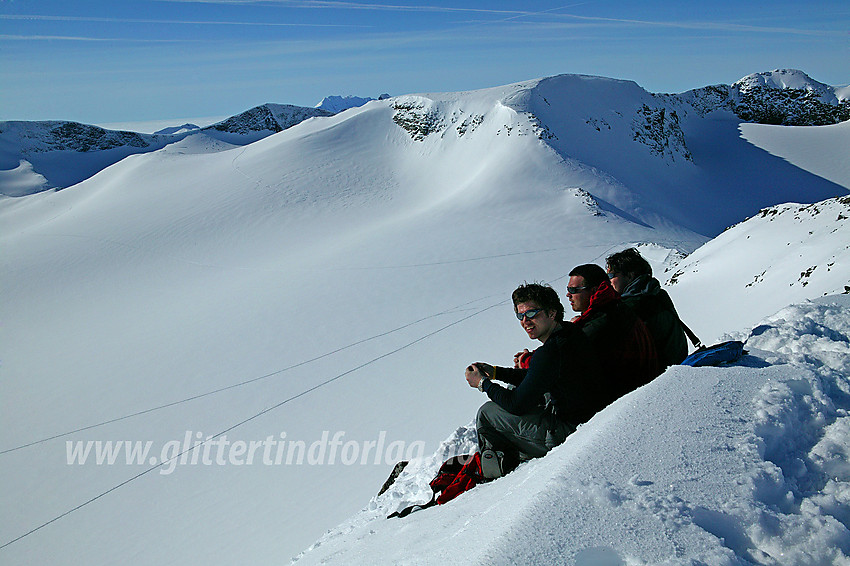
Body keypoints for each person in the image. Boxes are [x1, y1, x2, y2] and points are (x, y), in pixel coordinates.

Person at [464, 283, 603, 479]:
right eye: (520, 316)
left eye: (532, 313)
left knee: (487, 412)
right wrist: (495, 372)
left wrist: (482, 384)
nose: (525, 321)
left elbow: (517, 404)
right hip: (588, 419)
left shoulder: (550, 352)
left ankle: (497, 465)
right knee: (514, 391)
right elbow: (537, 376)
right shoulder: (569, 333)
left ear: (552, 313)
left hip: (569, 433)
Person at [566, 264, 660, 391]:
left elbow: (564, 353)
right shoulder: (616, 307)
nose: (568, 295)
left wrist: (529, 359)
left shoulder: (604, 319)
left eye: (573, 290)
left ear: (593, 290)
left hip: (620, 399)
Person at [606, 248, 688, 368]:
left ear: (630, 275)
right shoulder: (657, 294)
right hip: (674, 368)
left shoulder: (636, 303)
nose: (609, 281)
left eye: (611, 275)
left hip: (656, 376)